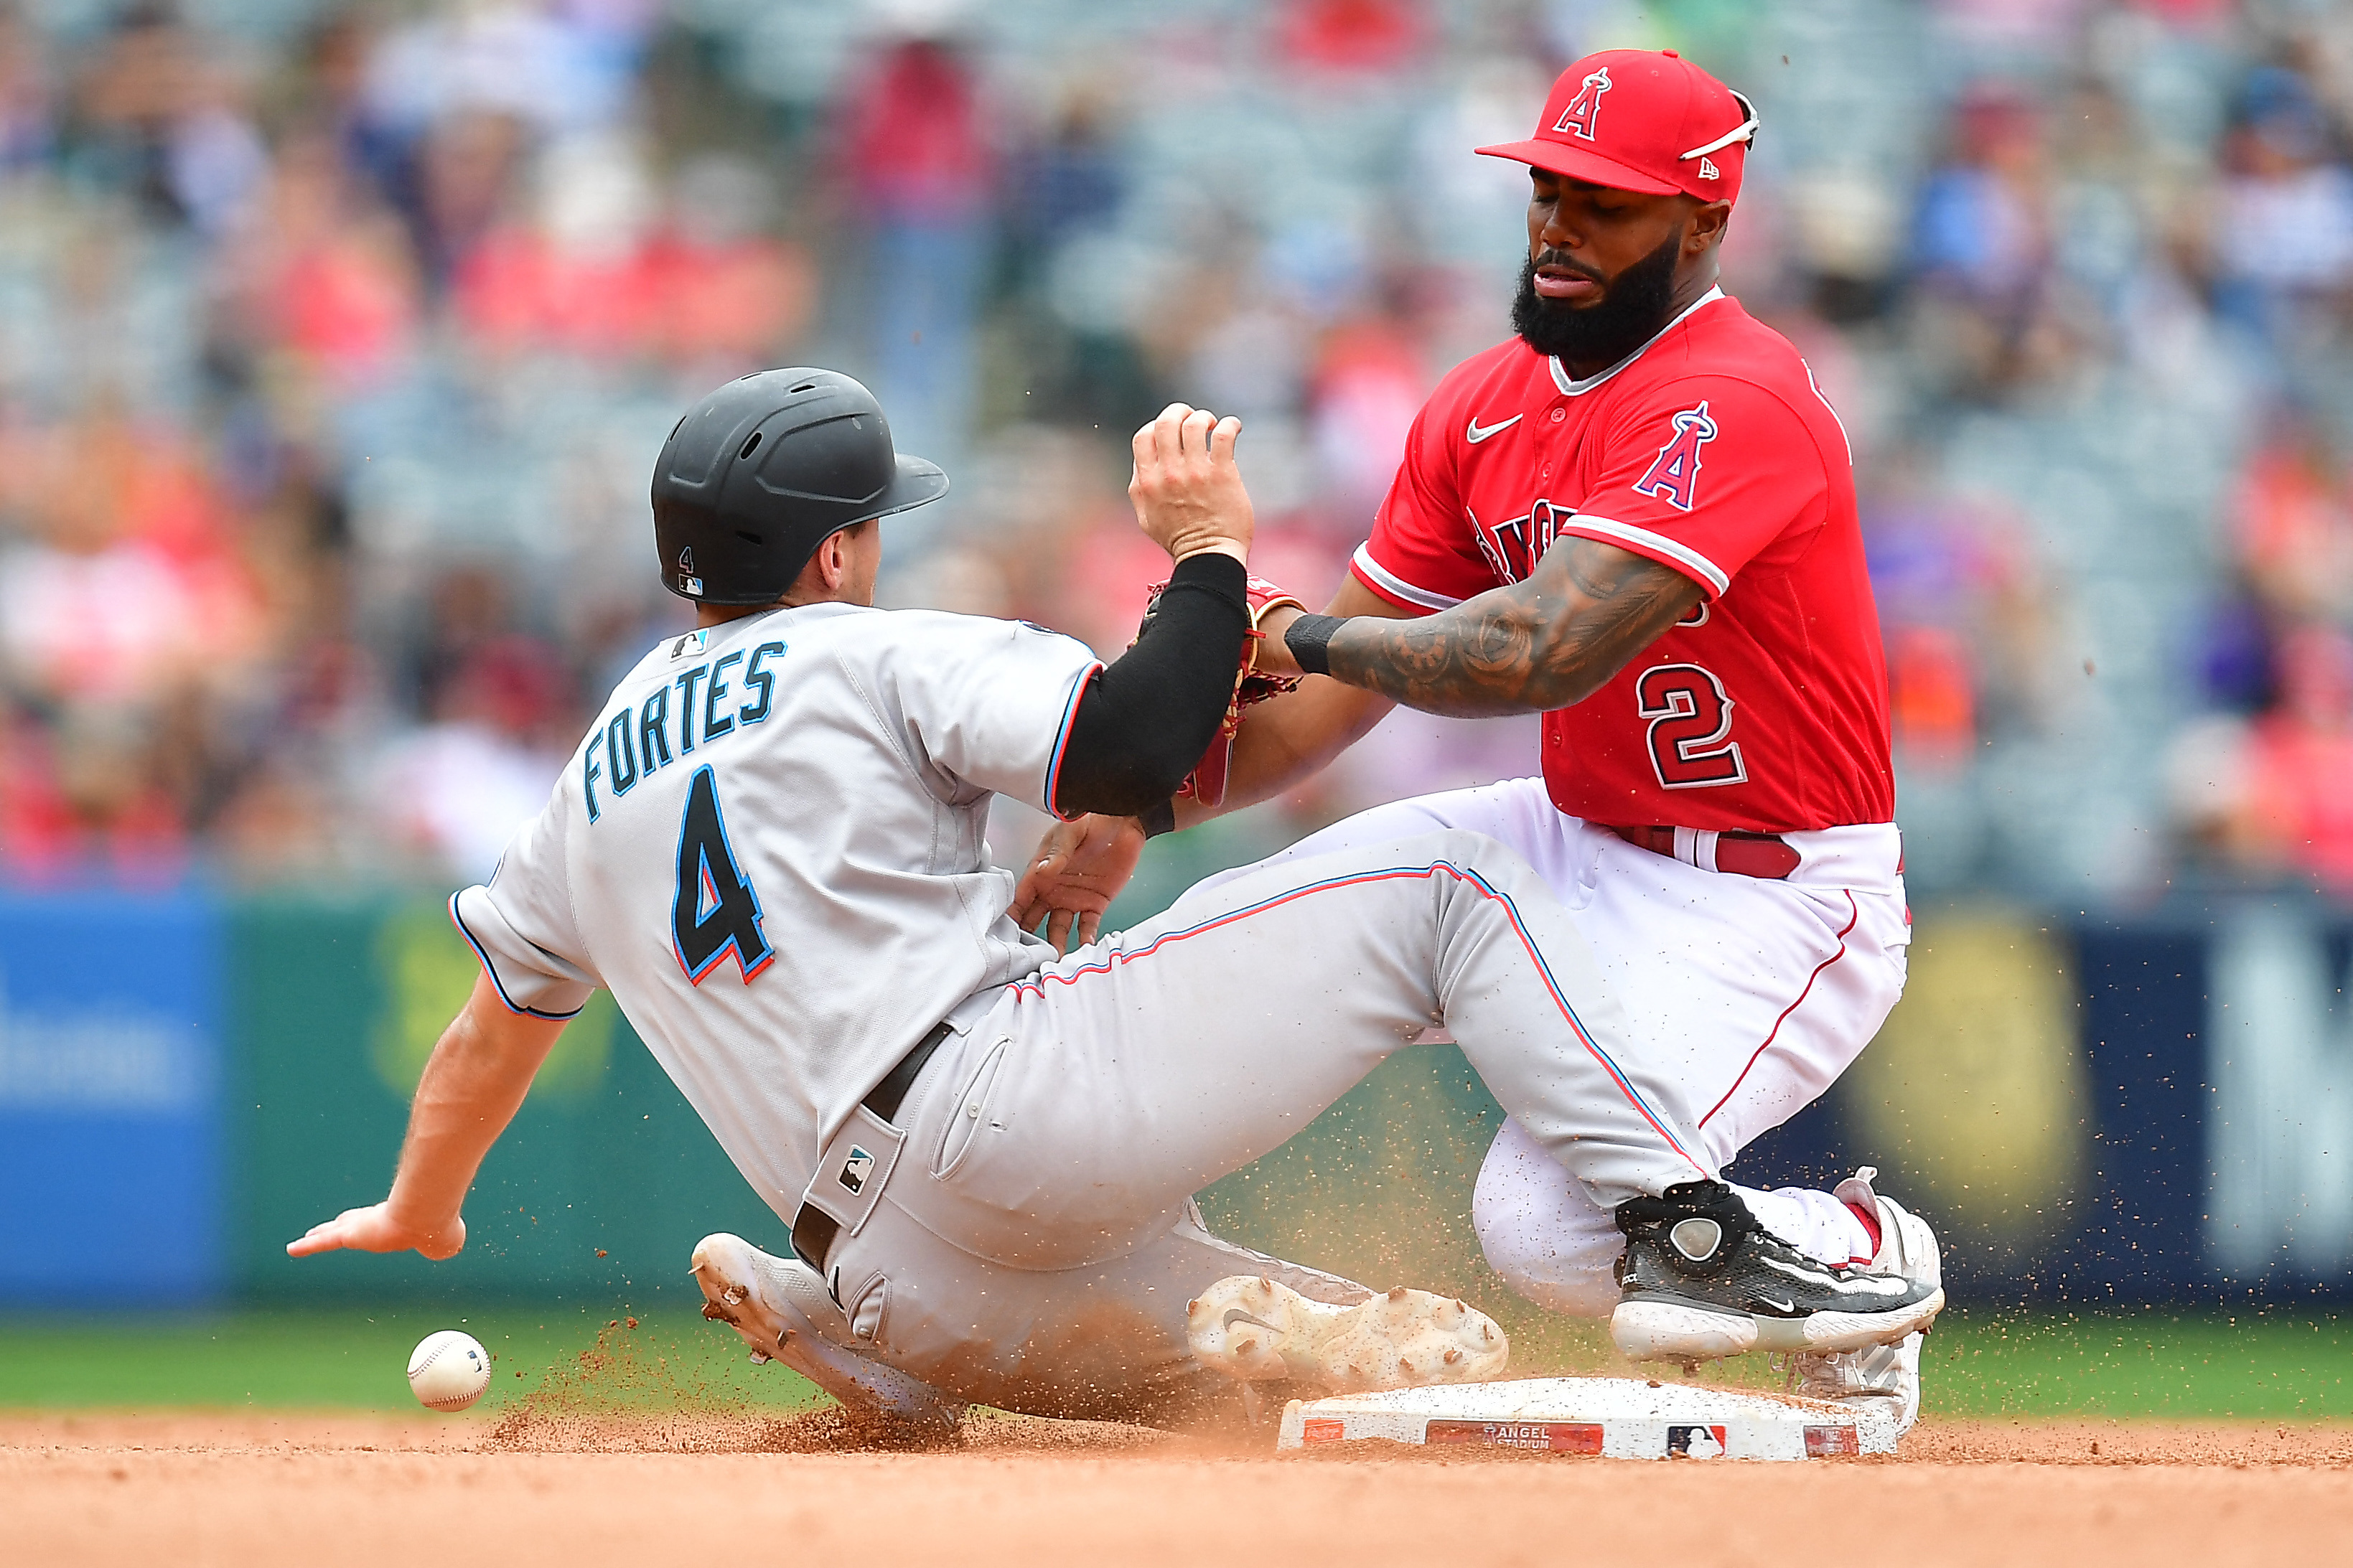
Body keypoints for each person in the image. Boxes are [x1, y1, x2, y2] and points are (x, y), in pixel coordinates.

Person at [288, 367, 1938, 1433]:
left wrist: (425, 1205)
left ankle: (883, 1365)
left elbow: (485, 1037)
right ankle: (1688, 1223)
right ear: (836, 553)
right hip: (1013, 1114)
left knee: (1395, 1367)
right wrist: (1211, 556)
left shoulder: (587, 780)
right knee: (1447, 866)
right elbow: (1147, 734)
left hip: (894, 1257)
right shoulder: (872, 653)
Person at [1018, 51, 1943, 1431]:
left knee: (1547, 1234)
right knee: (1324, 911)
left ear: (1703, 220)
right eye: (1547, 190)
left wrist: (1293, 633)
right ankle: (998, 1222)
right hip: (1568, 838)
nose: (1559, 225)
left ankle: (1869, 1256)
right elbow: (1326, 712)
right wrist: (1137, 811)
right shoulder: (1479, 409)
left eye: (1607, 203)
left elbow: (1534, 650)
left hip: (1773, 890)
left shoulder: (1731, 398)